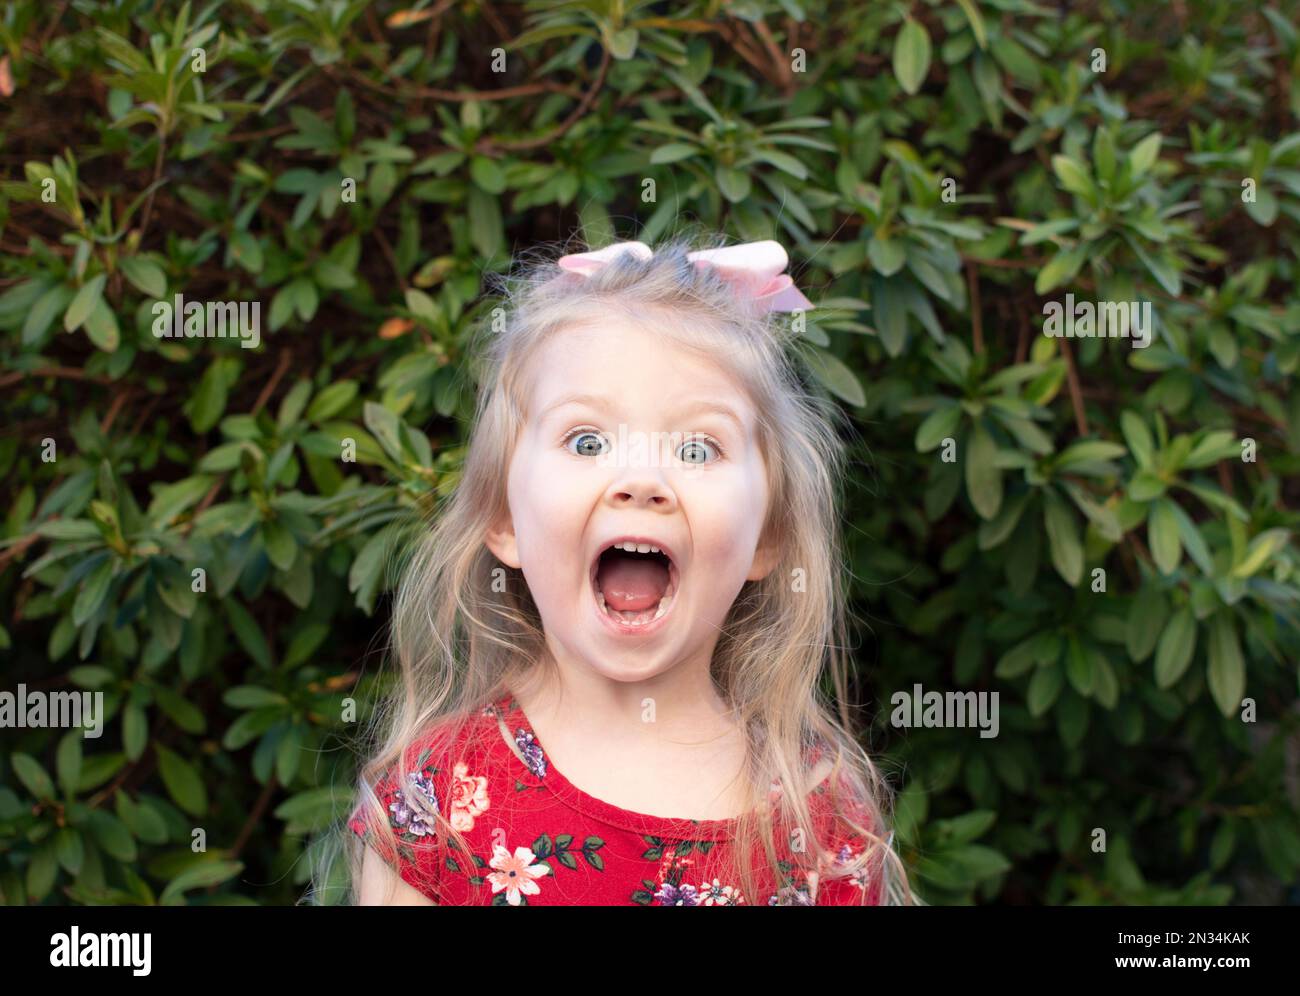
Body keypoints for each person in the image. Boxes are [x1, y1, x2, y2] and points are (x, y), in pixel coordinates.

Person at [338, 234, 912, 905]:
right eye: (588, 440)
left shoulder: (818, 826)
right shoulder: (439, 800)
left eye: (698, 448)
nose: (641, 480)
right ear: (502, 516)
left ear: (768, 534)